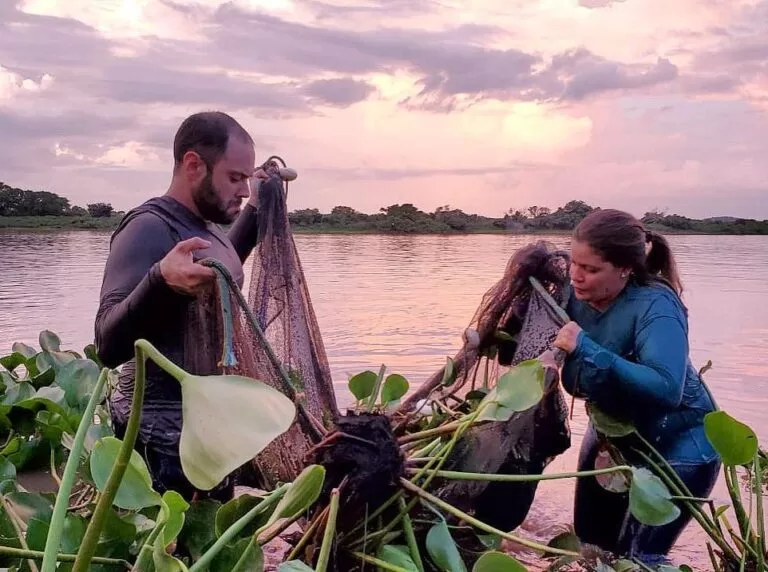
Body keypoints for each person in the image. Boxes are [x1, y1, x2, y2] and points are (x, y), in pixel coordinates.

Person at [94, 111, 281, 502]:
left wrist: (257, 209)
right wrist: (159, 282)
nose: (244, 189)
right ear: (194, 164)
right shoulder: (147, 228)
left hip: (208, 423)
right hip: (160, 436)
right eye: (235, 178)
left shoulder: (208, 227)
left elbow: (224, 270)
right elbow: (107, 346)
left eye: (248, 179)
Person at [551, 209, 720, 564]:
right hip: (613, 433)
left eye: (592, 269)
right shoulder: (571, 291)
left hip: (680, 443)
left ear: (626, 268)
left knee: (641, 558)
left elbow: (666, 387)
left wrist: (586, 347)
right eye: (574, 264)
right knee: (591, 550)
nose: (577, 277)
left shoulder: (656, 305)